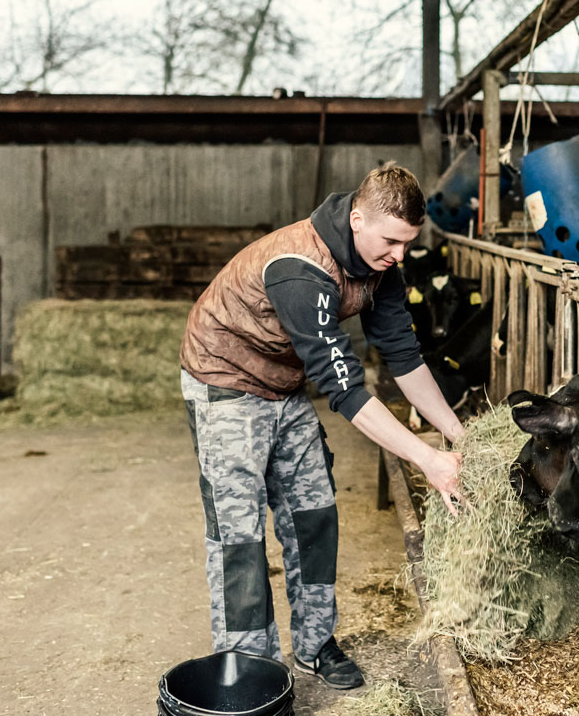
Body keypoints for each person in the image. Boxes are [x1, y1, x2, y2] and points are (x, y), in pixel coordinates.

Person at [179, 161, 465, 689]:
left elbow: (403, 355)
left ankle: (314, 644)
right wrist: (426, 459)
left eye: (407, 244)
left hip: (283, 384)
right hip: (225, 382)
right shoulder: (299, 267)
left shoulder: (381, 265)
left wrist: (459, 438)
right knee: (239, 534)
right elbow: (346, 388)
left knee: (314, 511)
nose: (400, 256)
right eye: (392, 241)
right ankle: (251, 668)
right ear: (357, 219)